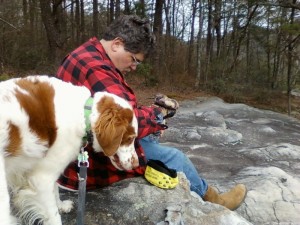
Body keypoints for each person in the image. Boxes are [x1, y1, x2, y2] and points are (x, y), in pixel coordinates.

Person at [56, 14, 246, 210]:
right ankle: (214, 200)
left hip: (79, 149)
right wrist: (158, 114)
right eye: (134, 59)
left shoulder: (86, 53)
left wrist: (152, 122)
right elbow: (127, 121)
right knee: (175, 158)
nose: (134, 66)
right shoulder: (99, 72)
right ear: (117, 44)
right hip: (91, 164)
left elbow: (115, 113)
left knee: (152, 134)